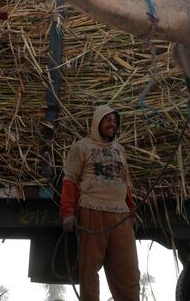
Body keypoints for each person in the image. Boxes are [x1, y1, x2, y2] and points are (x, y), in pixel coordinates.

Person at [60, 105, 140, 301]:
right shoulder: (82, 147)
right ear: (97, 123)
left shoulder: (119, 149)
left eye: (115, 121)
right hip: (92, 210)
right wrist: (67, 212)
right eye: (108, 120)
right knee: (89, 269)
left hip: (121, 216)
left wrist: (132, 212)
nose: (112, 124)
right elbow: (69, 180)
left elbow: (125, 184)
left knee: (128, 270)